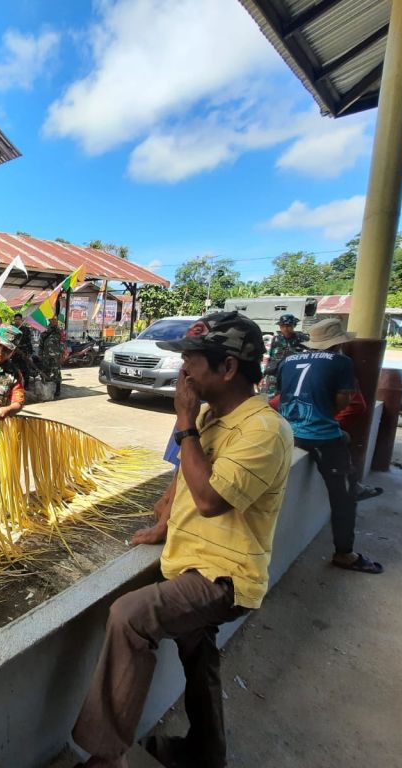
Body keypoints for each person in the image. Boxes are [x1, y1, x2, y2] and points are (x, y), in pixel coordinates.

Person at [73, 312, 293, 768]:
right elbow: (186, 477)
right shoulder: (216, 417)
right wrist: (164, 521)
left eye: (191, 361)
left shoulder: (263, 431)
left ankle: (105, 757)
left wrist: (185, 421)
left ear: (228, 368)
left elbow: (211, 499)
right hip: (189, 560)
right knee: (199, 657)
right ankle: (205, 753)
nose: (183, 372)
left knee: (131, 615)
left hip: (225, 578)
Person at [276, 317, 383, 574]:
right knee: (344, 497)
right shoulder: (342, 362)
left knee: (342, 439)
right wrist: (323, 413)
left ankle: (354, 483)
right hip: (320, 436)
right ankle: (344, 553)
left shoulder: (287, 361)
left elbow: (282, 396)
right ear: (338, 344)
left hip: (289, 433)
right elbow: (344, 400)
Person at [262, 313, 308, 395]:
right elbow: (271, 357)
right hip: (275, 373)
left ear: (294, 325)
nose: (285, 329)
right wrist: (265, 373)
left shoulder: (302, 339)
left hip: (294, 373)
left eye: (288, 326)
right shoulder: (276, 339)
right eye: (282, 326)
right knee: (270, 397)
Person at [39, 314, 65, 398]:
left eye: (55, 320)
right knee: (45, 372)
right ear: (49, 321)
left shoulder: (60, 331)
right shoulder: (45, 330)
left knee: (56, 373)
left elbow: (63, 343)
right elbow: (41, 344)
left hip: (56, 356)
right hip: (45, 356)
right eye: (52, 320)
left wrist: (61, 354)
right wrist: (40, 354)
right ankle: (46, 390)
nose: (54, 321)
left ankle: (58, 389)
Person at [12, 312, 36, 382]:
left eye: (19, 319)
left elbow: (29, 342)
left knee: (25, 369)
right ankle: (15, 385)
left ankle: (26, 385)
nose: (17, 321)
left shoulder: (26, 329)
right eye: (16, 319)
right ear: (14, 320)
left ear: (21, 320)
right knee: (14, 370)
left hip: (24, 353)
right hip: (14, 353)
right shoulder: (11, 329)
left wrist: (29, 353)